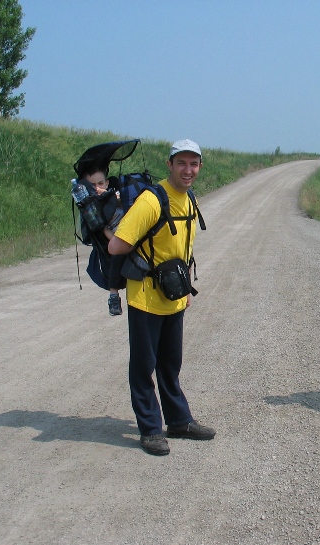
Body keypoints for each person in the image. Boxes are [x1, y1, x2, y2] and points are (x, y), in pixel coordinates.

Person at [108, 139, 215, 455]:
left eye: (193, 164)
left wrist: (185, 290)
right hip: (145, 297)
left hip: (175, 296)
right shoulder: (151, 201)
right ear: (169, 165)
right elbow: (116, 245)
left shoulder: (190, 199)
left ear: (199, 167)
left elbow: (184, 247)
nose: (187, 170)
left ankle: (179, 421)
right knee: (144, 366)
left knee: (170, 363)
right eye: (181, 163)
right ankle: (151, 430)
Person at [79, 167, 125, 315]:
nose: (97, 188)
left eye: (100, 183)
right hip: (113, 236)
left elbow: (125, 201)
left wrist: (112, 197)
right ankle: (114, 295)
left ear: (107, 183)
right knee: (114, 254)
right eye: (92, 186)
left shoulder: (115, 193)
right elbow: (98, 227)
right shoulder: (91, 205)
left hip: (131, 229)